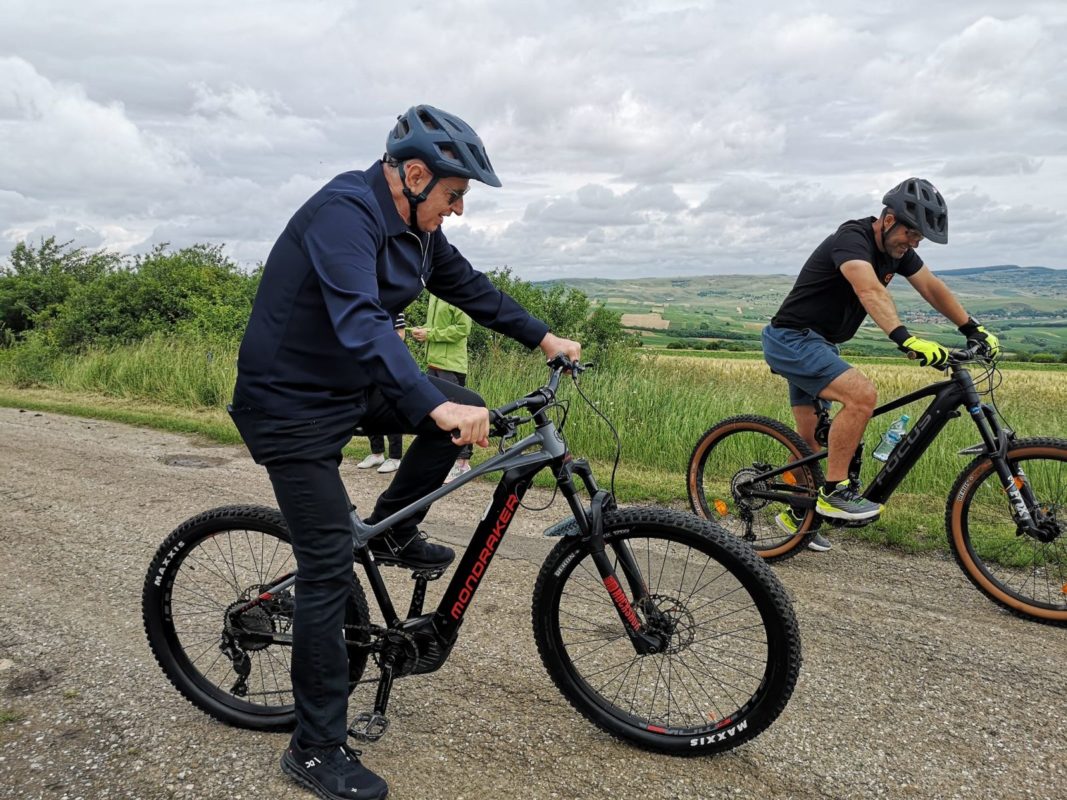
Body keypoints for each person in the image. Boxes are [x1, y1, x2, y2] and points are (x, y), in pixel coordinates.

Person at [227, 104, 581, 800]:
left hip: (344, 387)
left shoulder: (416, 232)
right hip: (287, 403)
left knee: (467, 404)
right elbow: (360, 320)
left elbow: (472, 289)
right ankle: (314, 748)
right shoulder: (344, 213)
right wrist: (429, 401)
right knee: (327, 569)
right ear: (414, 176)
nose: (458, 210)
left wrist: (543, 337)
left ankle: (393, 531)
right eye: (454, 197)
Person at [761, 177, 1000, 552]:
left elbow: (932, 286)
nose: (914, 243)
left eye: (920, 238)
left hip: (821, 343)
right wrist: (904, 337)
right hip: (791, 338)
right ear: (888, 219)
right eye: (911, 233)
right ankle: (834, 492)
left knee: (811, 444)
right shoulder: (852, 239)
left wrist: (972, 327)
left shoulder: (899, 252)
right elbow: (868, 289)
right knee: (861, 396)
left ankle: (797, 515)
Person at [411, 297, 473, 482]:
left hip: (452, 365)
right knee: (438, 416)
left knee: (458, 413)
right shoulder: (433, 296)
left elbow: (463, 329)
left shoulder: (458, 295)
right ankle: (446, 461)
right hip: (434, 363)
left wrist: (430, 334)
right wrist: (423, 331)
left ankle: (463, 463)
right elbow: (436, 327)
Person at [357, 313, 407, 473]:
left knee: (391, 408)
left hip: (389, 363)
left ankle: (395, 457)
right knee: (370, 406)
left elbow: (400, 335)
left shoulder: (394, 303)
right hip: (369, 364)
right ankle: (377, 453)